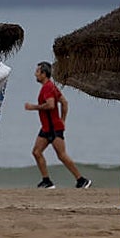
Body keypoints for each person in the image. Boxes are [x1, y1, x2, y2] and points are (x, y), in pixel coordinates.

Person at [25, 61, 90, 190]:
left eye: (37, 72)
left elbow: (51, 105)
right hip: (47, 128)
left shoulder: (48, 87)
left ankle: (82, 180)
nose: (35, 74)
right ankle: (47, 181)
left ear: (44, 74)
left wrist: (34, 107)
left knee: (62, 155)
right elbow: (64, 102)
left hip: (54, 128)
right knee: (36, 152)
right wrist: (63, 120)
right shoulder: (51, 86)